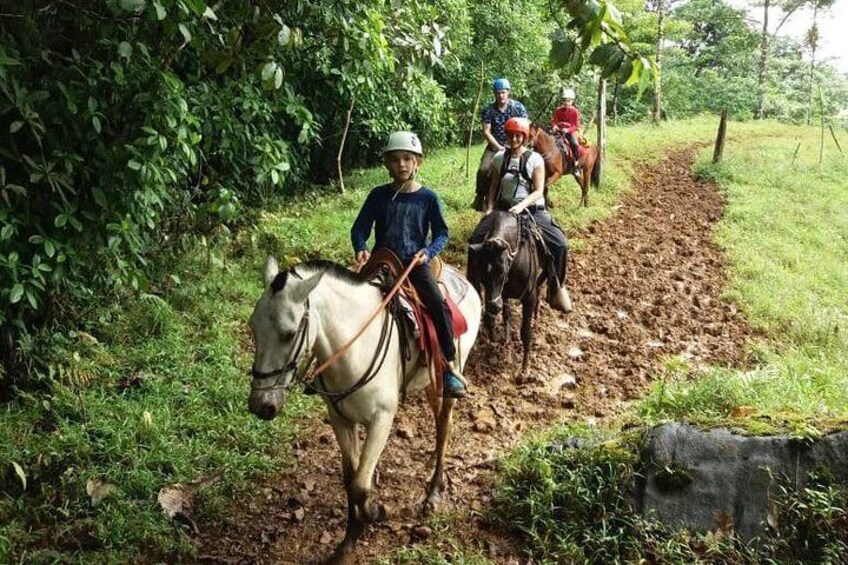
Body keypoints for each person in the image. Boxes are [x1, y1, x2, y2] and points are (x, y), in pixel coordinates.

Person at [351, 131, 468, 398]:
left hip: (414, 264)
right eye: (395, 159)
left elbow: (441, 233)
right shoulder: (378, 195)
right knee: (348, 299)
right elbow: (359, 229)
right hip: (382, 262)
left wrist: (428, 252)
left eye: (407, 158)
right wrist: (361, 249)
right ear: (386, 164)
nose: (401, 164)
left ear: (418, 162)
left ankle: (448, 366)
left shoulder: (428, 198)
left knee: (438, 305)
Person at [474, 117, 572, 313]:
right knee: (475, 242)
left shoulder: (535, 160)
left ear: (525, 137)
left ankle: (556, 287)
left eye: (518, 135)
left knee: (560, 243)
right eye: (511, 135)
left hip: (532, 209)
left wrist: (521, 206)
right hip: (503, 209)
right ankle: (474, 286)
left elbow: (538, 190)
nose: (514, 139)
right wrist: (489, 208)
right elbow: (494, 187)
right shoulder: (499, 158)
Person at [473, 78, 529, 211]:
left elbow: (526, 126)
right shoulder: (488, 110)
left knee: (530, 166)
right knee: (484, 169)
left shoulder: (518, 107)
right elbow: (486, 131)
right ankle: (480, 196)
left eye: (503, 92)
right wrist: (499, 147)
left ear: (508, 92)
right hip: (495, 145)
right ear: (494, 94)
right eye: (498, 93)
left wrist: (520, 144)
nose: (501, 95)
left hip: (516, 144)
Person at [550, 87, 582, 177]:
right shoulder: (558, 110)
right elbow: (554, 120)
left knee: (575, 145)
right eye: (564, 100)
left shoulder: (574, 111)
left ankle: (576, 165)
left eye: (568, 101)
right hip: (559, 131)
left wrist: (568, 130)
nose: (566, 103)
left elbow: (576, 125)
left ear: (571, 101)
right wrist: (554, 126)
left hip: (570, 132)